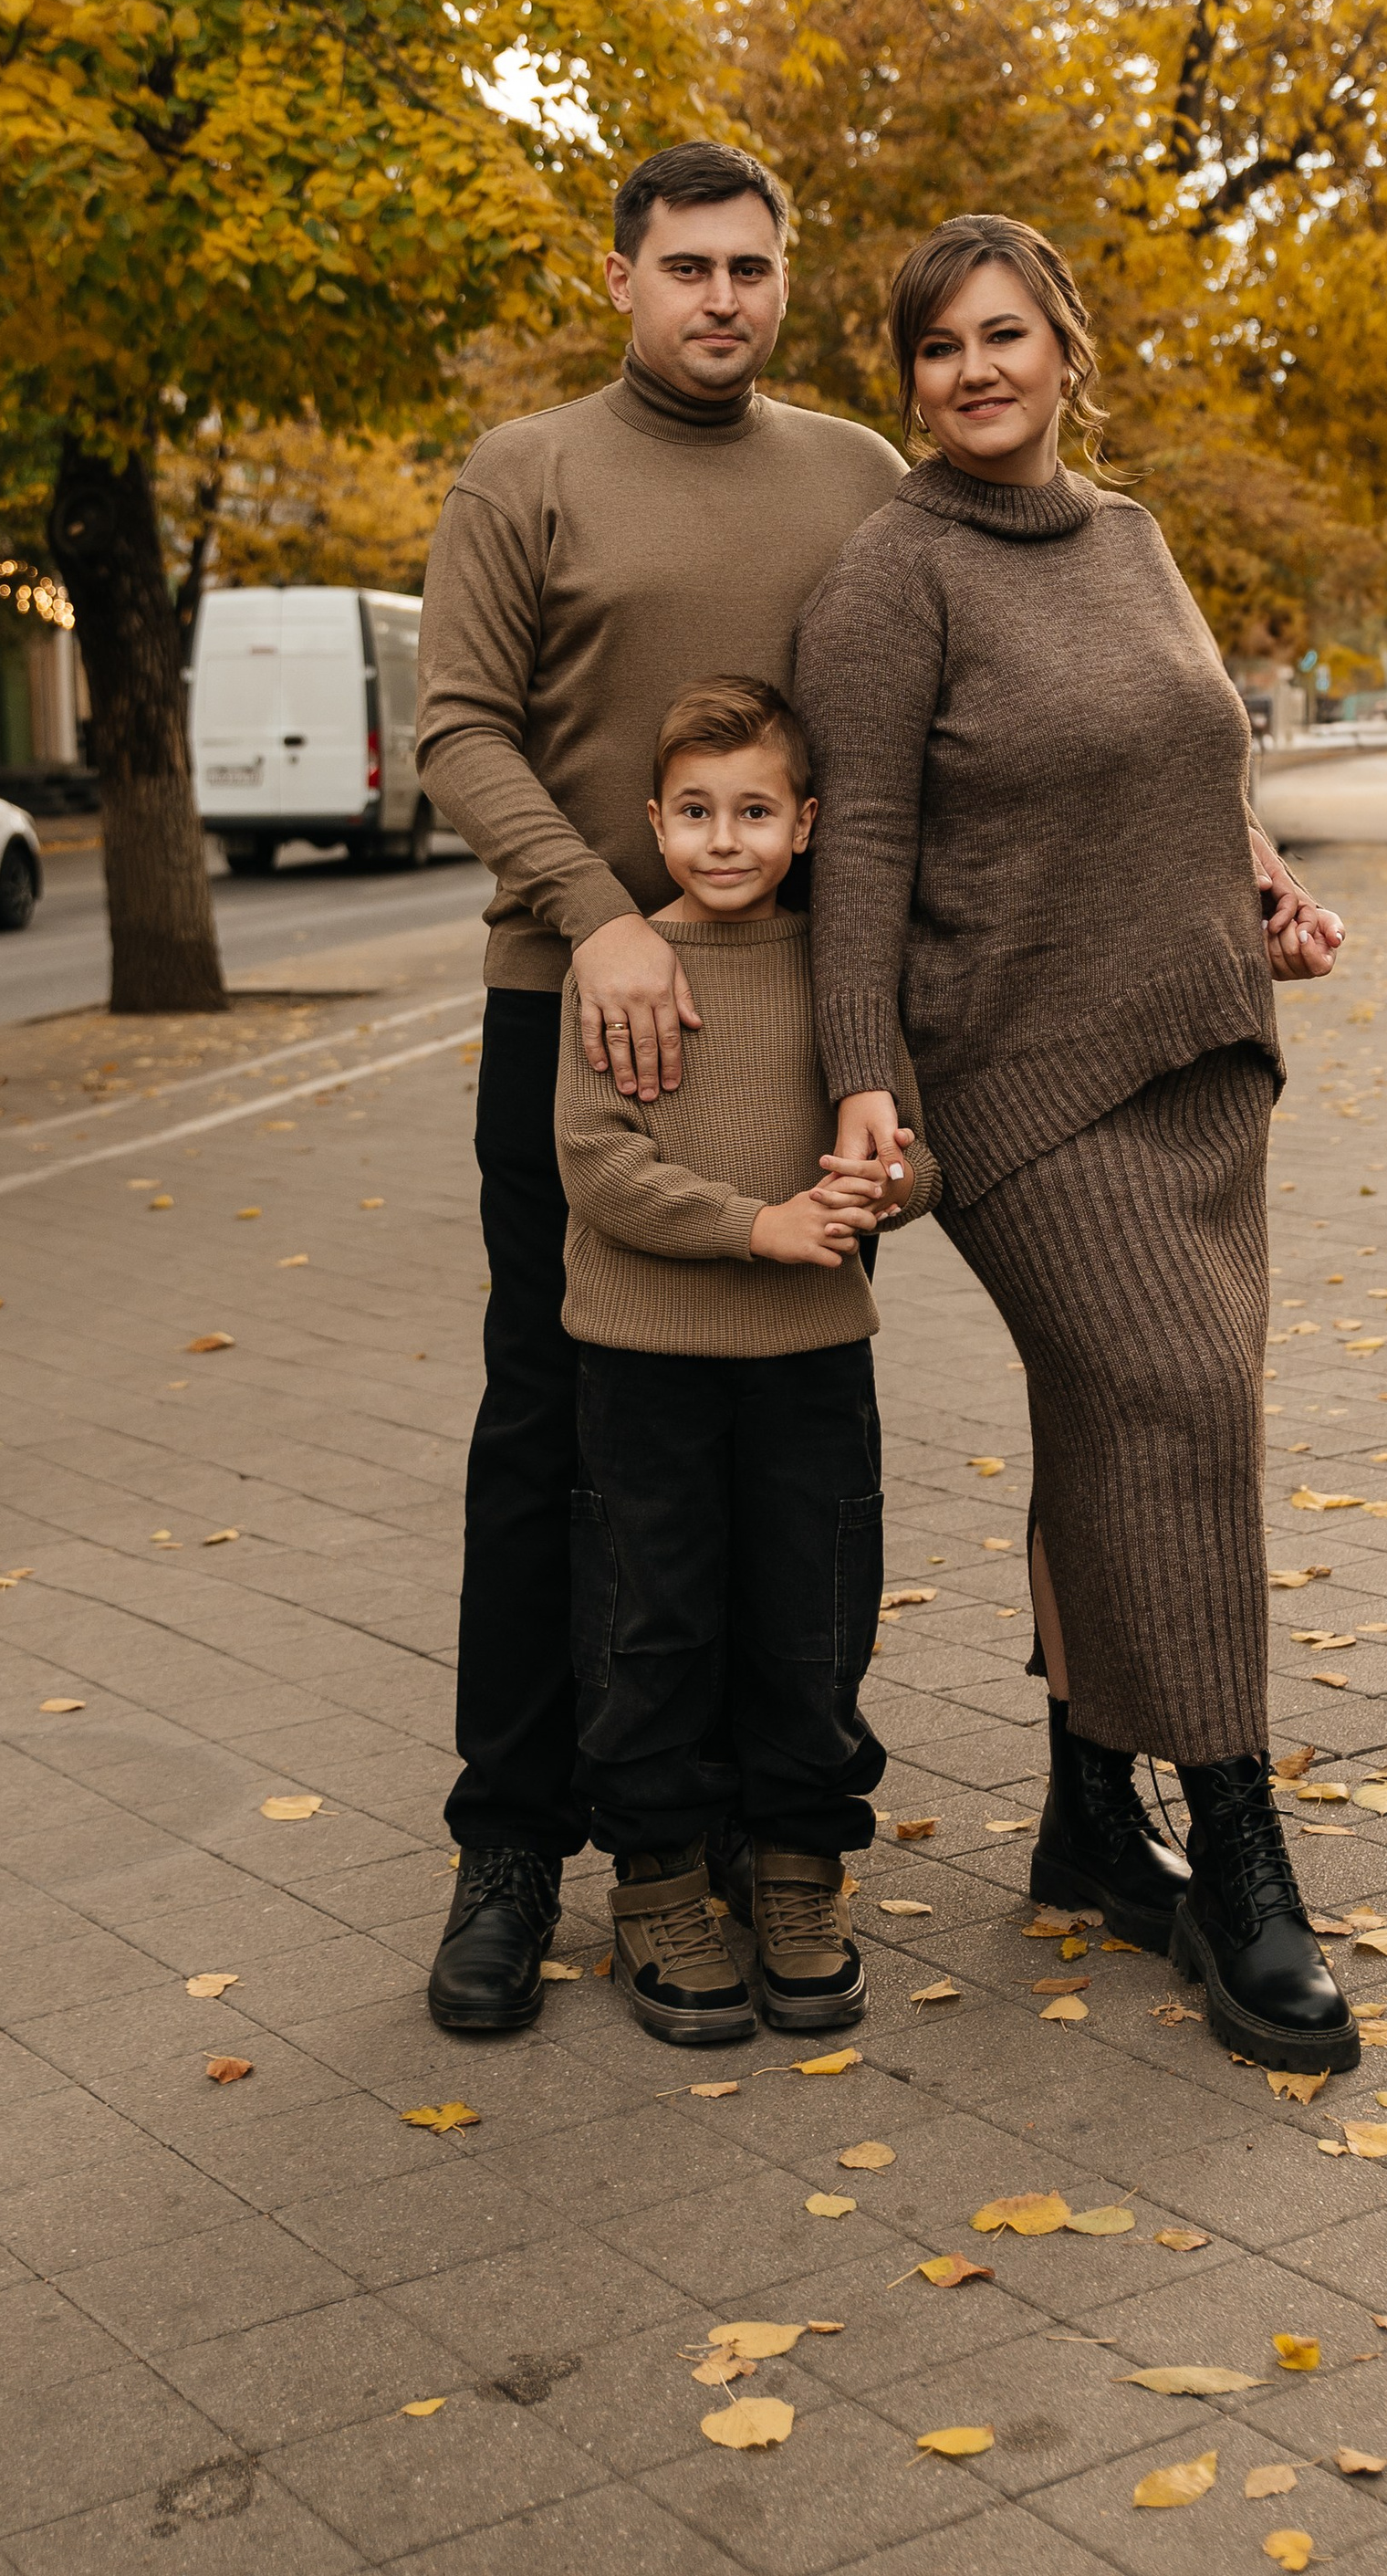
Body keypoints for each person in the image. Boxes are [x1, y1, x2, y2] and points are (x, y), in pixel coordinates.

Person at [794, 214, 1358, 2075]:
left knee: (1122, 1417)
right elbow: (861, 843)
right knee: (1181, 1393)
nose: (973, 368)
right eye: (937, 345)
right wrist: (864, 1074)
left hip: (1197, 1044)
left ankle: (1082, 1817)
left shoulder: (1127, 535)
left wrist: (1256, 874)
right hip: (1015, 1078)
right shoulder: (894, 574)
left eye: (1004, 334)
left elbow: (1194, 749)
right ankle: (1237, 1849)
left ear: (1062, 349)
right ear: (909, 379)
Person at [415, 141, 906, 2036]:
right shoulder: (525, 470)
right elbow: (457, 723)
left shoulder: (856, 477)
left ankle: (732, 1836)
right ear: (618, 275)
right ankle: (513, 1838)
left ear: (786, 280)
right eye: (687, 265)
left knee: (770, 1459)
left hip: (784, 1021)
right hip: (573, 1006)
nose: (721, 297)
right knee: (553, 1433)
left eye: (752, 268)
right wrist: (590, 914)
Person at [556, 675, 935, 2047]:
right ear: (656, 823)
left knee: (813, 1616)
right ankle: (657, 1880)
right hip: (646, 1363)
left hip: (810, 1359)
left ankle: (796, 1868)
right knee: (656, 1622)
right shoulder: (623, 969)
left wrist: (884, 1184)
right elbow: (597, 1165)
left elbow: (911, 1139)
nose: (727, 840)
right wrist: (755, 1226)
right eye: (699, 813)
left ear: (808, 822)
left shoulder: (841, 973)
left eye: (757, 812)